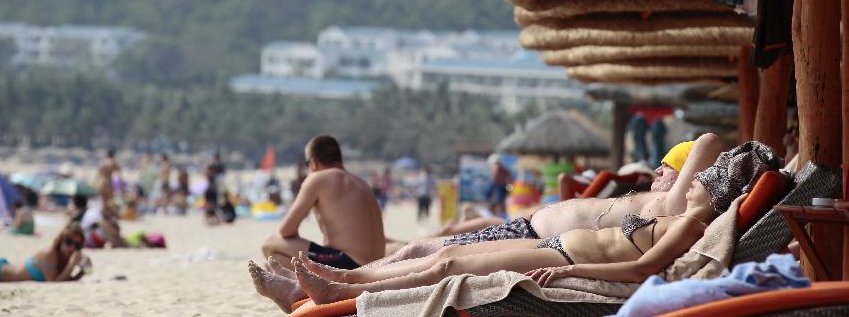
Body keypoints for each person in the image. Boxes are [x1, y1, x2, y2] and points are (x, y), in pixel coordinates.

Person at [277, 142, 779, 305]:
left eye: (697, 177)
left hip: (565, 256)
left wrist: (566, 276)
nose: (683, 178)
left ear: (713, 189)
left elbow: (640, 270)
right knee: (440, 257)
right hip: (558, 244)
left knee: (446, 261)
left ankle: (348, 291)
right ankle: (346, 281)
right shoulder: (683, 212)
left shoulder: (686, 221)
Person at [351, 134, 723, 269]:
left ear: (692, 175)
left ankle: (337, 290)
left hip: (536, 239)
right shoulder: (657, 205)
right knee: (419, 250)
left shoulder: (671, 210)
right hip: (532, 230)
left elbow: (709, 142)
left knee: (420, 252)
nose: (656, 172)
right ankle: (340, 283)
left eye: (667, 166)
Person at [256, 135, 385, 307]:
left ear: (314, 163)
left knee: (270, 244)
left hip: (350, 266)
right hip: (380, 268)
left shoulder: (318, 178)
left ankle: (300, 291)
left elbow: (286, 230)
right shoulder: (362, 183)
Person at [0, 223, 90, 282]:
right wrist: (72, 265)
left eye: (77, 245)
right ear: (61, 240)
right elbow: (53, 283)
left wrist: (82, 272)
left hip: (3, 271)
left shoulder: (65, 257)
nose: (72, 247)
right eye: (69, 242)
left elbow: (64, 280)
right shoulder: (50, 253)